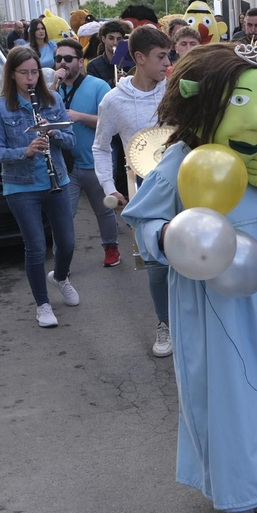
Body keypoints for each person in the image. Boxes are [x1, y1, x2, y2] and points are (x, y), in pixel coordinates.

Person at [120, 43, 257, 513]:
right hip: (209, 296)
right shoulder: (186, 158)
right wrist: (173, 236)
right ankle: (238, 496)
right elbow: (144, 221)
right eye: (238, 102)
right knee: (228, 387)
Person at [94, 25, 174, 356]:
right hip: (144, 193)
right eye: (160, 56)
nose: (167, 63)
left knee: (194, 253)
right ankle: (165, 324)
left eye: (169, 55)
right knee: (157, 264)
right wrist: (110, 188)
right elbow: (100, 148)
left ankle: (198, 322)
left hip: (184, 185)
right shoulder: (113, 101)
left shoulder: (175, 89)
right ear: (139, 58)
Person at [0, 46, 79, 328]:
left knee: (67, 241)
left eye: (34, 72)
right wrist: (24, 151)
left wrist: (53, 131)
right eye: (23, 73)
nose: (30, 78)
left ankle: (60, 277)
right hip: (21, 186)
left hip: (57, 180)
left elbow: (71, 141)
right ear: (12, 74)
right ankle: (43, 304)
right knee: (36, 246)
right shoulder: (1, 107)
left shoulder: (51, 100)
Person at [51, 39, 119, 269]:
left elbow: (112, 122)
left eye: (68, 59)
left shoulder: (98, 86)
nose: (62, 63)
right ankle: (62, 261)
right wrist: (51, 89)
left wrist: (80, 116)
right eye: (58, 58)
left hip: (93, 162)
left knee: (104, 211)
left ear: (80, 62)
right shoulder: (52, 88)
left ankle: (111, 248)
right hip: (64, 164)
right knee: (63, 217)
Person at [86, 19, 129, 88]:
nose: (115, 43)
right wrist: (113, 82)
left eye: (119, 39)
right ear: (103, 39)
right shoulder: (93, 66)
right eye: (111, 38)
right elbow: (94, 90)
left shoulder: (129, 62)